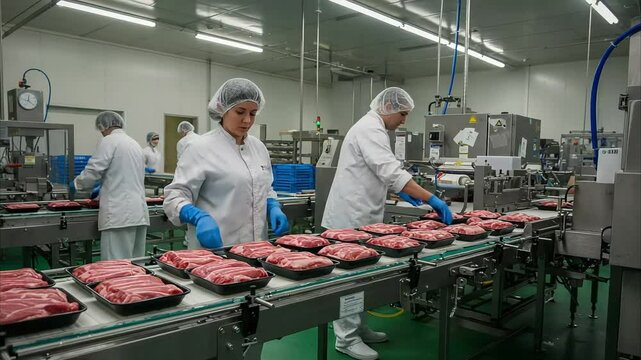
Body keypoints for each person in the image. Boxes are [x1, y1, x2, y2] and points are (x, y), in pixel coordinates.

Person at [322, 87, 453, 360]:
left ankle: (358, 328)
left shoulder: (375, 128)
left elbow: (377, 171)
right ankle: (345, 339)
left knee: (362, 277)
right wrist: (433, 199)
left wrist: (398, 190)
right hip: (349, 217)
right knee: (350, 280)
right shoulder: (371, 128)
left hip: (362, 214)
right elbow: (390, 170)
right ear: (389, 108)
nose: (404, 120)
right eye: (403, 114)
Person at [163, 78, 289, 251]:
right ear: (223, 110)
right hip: (215, 251)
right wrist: (198, 217)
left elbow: (265, 187)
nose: (247, 120)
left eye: (252, 113)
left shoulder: (259, 148)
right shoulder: (200, 148)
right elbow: (174, 196)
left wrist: (273, 205)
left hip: (257, 250)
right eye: (240, 112)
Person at [70, 111, 149, 260]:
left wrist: (77, 184)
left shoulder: (109, 141)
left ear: (103, 126)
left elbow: (94, 170)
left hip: (119, 214)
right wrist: (102, 189)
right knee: (137, 265)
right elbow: (124, 174)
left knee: (116, 266)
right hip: (139, 212)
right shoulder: (134, 143)